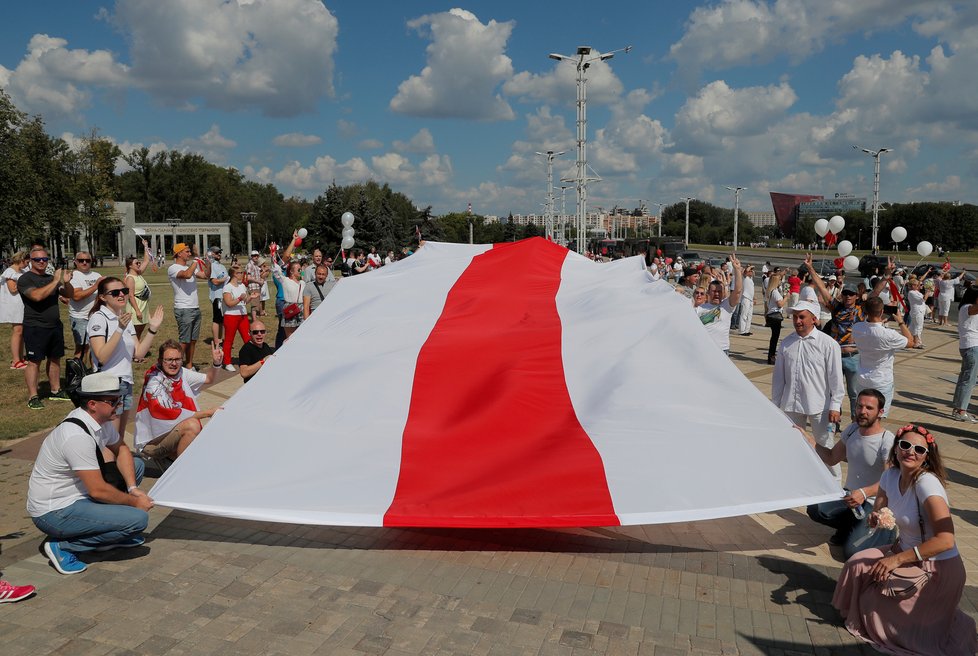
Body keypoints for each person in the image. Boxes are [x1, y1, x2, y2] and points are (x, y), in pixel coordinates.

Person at [832, 424, 977, 655]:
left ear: (927, 457)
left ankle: (950, 622)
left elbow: (946, 540)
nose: (911, 452)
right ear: (896, 450)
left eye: (919, 449)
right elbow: (879, 511)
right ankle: (859, 612)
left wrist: (895, 560)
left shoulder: (926, 484)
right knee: (855, 563)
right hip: (904, 552)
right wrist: (876, 518)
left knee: (875, 605)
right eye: (905, 445)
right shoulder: (890, 475)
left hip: (938, 567)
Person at [27, 372, 153, 575]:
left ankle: (111, 533)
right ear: (93, 404)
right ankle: (64, 546)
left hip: (79, 496)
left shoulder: (100, 422)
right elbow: (97, 490)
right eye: (113, 400)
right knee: (138, 519)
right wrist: (134, 502)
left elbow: (120, 449)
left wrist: (133, 489)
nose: (118, 404)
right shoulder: (76, 436)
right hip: (54, 511)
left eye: (119, 398)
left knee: (136, 466)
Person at [802, 389, 896, 558]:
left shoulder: (886, 440)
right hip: (849, 497)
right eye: (859, 406)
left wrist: (864, 493)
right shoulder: (852, 429)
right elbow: (831, 458)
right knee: (815, 509)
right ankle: (850, 526)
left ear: (881, 412)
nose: (862, 411)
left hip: (872, 503)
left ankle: (886, 532)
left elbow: (891, 480)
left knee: (851, 553)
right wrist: (807, 439)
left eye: (869, 408)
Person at [772, 298, 843, 480]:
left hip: (820, 405)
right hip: (791, 403)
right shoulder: (786, 343)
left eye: (802, 316)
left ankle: (833, 484)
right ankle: (796, 479)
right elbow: (779, 378)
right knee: (794, 443)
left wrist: (835, 405)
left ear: (814, 319)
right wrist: (775, 405)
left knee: (825, 444)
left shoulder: (828, 344)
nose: (797, 321)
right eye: (795, 317)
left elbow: (836, 378)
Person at [87, 277, 165, 439]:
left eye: (125, 291)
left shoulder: (124, 318)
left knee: (119, 437)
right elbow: (101, 356)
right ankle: (107, 464)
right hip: (108, 385)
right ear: (102, 297)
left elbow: (138, 353)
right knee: (110, 439)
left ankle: (116, 463)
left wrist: (152, 329)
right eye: (115, 292)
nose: (121, 295)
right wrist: (119, 329)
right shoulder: (99, 318)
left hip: (126, 383)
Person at [133, 339, 223, 462]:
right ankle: (180, 472)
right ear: (160, 361)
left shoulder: (181, 372)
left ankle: (178, 459)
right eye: (169, 360)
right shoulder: (154, 381)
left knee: (204, 453)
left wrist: (216, 364)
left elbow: (209, 379)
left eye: (178, 359)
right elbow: (174, 413)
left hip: (171, 432)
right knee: (192, 426)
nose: (174, 364)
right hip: (152, 442)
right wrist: (209, 412)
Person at [18, 245, 74, 410]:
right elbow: (36, 296)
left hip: (54, 325)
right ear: (30, 261)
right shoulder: (25, 279)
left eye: (44, 259)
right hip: (35, 326)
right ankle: (33, 396)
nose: (42, 262)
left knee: (55, 358)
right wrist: (56, 280)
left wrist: (67, 283)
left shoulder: (51, 278)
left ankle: (55, 390)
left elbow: (69, 295)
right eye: (37, 259)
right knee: (34, 362)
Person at [852, 297, 912, 417]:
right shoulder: (889, 334)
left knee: (862, 414)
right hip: (881, 381)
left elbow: (870, 330)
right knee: (878, 417)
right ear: (881, 311)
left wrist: (880, 323)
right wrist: (900, 322)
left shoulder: (856, 328)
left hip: (862, 380)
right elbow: (911, 342)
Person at [167, 243, 210, 367]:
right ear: (179, 253)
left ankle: (189, 365)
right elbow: (186, 275)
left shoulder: (191, 267)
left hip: (195, 307)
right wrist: (196, 259)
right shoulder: (173, 268)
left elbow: (205, 275)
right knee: (184, 340)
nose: (189, 254)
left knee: (193, 340)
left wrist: (209, 262)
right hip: (183, 309)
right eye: (187, 251)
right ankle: (176, 365)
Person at [694, 254, 743, 354]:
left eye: (719, 292)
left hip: (722, 350)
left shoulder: (727, 306)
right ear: (708, 292)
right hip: (703, 349)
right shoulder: (699, 308)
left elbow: (738, 291)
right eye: (714, 291)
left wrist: (737, 270)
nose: (717, 294)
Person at [66, 251, 103, 364]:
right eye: (81, 260)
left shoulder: (97, 275)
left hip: (96, 316)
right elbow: (77, 296)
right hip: (80, 317)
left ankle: (94, 372)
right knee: (82, 348)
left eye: (87, 260)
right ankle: (78, 374)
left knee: (96, 347)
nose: (84, 263)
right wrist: (96, 285)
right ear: (75, 262)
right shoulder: (73, 276)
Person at [950, 287, 978, 422]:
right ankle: (961, 411)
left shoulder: (967, 308)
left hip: (968, 346)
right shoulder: (968, 307)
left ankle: (958, 408)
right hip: (972, 346)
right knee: (969, 380)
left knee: (964, 378)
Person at [220, 265, 255, 371]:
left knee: (248, 338)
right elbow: (229, 303)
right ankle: (227, 362)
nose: (242, 275)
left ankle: (251, 358)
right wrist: (240, 298)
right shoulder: (227, 287)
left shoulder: (242, 286)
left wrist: (251, 298)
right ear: (234, 274)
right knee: (229, 340)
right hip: (231, 316)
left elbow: (245, 301)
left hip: (243, 315)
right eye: (240, 273)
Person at [123, 239, 157, 343]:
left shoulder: (138, 273)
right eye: (136, 263)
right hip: (136, 306)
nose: (139, 264)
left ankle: (136, 353)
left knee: (139, 331)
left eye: (139, 262)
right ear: (130, 266)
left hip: (143, 305)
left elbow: (146, 260)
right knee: (135, 332)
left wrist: (145, 246)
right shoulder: (130, 278)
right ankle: (135, 354)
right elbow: (131, 296)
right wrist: (137, 311)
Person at [1, 251, 27, 369]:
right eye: (26, 262)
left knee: (22, 332)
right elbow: (12, 289)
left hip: (22, 304)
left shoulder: (21, 272)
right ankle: (15, 361)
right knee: (18, 331)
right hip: (14, 305)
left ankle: (21, 358)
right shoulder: (9, 272)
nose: (27, 264)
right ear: (20, 260)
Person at [238, 319, 275, 383]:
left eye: (262, 331)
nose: (259, 334)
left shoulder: (265, 346)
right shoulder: (246, 349)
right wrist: (262, 361)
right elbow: (244, 373)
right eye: (255, 332)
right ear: (249, 333)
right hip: (253, 387)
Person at [206, 245, 229, 349]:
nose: (219, 254)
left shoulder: (222, 266)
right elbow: (214, 281)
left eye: (220, 252)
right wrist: (225, 279)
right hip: (217, 296)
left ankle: (221, 339)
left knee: (222, 319)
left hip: (223, 295)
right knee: (217, 319)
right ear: (211, 254)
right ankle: (216, 341)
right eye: (216, 252)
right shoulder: (212, 266)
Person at [905, 273, 933, 349]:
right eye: (916, 285)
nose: (918, 286)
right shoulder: (911, 292)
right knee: (918, 327)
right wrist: (928, 291)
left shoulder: (916, 292)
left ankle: (913, 341)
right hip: (917, 312)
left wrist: (926, 289)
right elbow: (924, 299)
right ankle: (917, 342)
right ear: (912, 286)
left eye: (918, 285)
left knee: (913, 327)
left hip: (918, 311)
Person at [764, 269, 786, 365]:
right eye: (779, 280)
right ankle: (771, 356)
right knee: (775, 337)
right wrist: (786, 297)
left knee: (774, 337)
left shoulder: (772, 290)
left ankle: (771, 355)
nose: (780, 281)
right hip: (775, 316)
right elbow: (780, 304)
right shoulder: (775, 292)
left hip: (771, 315)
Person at [737, 264, 755, 336]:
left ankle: (747, 330)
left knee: (749, 315)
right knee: (744, 314)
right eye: (750, 271)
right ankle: (742, 330)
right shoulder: (745, 278)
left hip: (750, 298)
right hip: (745, 297)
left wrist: (754, 298)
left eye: (752, 271)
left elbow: (751, 289)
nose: (751, 272)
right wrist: (750, 267)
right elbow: (745, 272)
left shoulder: (750, 279)